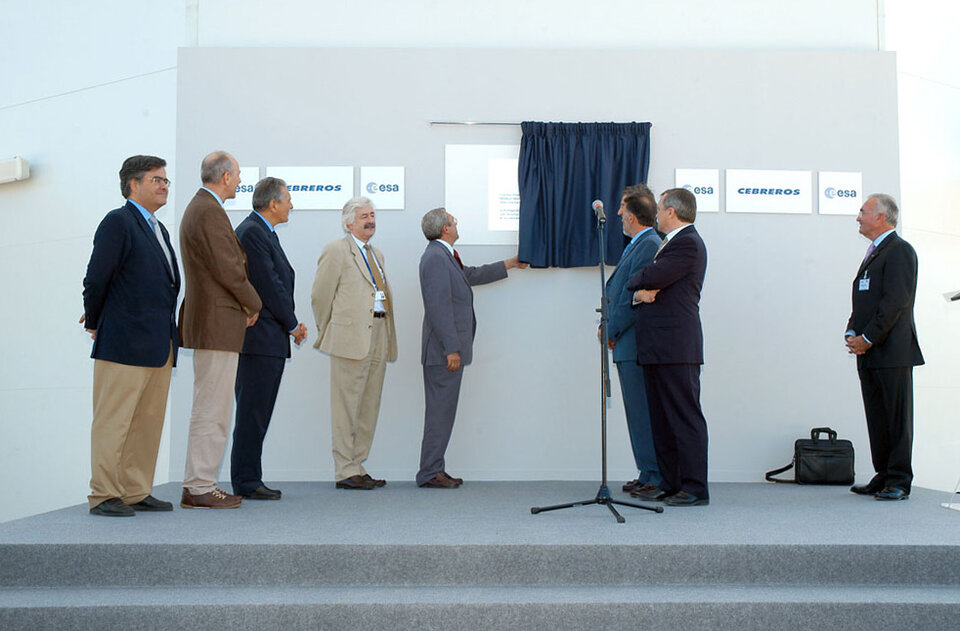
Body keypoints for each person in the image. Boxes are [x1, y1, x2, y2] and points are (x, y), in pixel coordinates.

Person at [81, 155, 179, 517]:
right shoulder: (118, 222)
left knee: (146, 422)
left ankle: (136, 490)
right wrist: (95, 319)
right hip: (123, 341)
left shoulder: (159, 229)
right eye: (156, 179)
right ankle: (105, 493)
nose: (164, 185)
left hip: (158, 343)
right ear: (133, 185)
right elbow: (97, 278)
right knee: (114, 421)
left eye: (166, 180)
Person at [416, 208, 526, 488]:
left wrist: (509, 264)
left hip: (447, 350)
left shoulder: (444, 257)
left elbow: (470, 275)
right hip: (444, 353)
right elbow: (438, 306)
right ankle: (429, 473)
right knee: (439, 412)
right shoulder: (435, 258)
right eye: (453, 221)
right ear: (444, 229)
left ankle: (434, 468)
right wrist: (451, 349)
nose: (457, 224)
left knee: (443, 411)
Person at [179, 151, 262, 509]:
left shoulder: (205, 208)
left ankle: (200, 483)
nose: (241, 181)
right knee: (212, 409)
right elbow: (229, 269)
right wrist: (254, 303)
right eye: (238, 175)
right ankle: (199, 486)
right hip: (217, 323)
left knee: (213, 407)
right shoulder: (208, 211)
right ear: (225, 177)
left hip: (217, 322)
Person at [626, 188, 710, 507]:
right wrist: (641, 290)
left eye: (660, 209)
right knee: (661, 420)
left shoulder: (688, 242)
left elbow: (652, 275)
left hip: (676, 347)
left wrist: (639, 282)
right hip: (659, 348)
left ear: (672, 212)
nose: (657, 214)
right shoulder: (670, 243)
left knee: (683, 417)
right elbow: (647, 283)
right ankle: (671, 481)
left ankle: (694, 487)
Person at [311, 197, 397, 490]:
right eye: (363, 216)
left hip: (378, 333)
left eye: (372, 215)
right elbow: (320, 296)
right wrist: (330, 329)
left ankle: (358, 464)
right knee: (346, 407)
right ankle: (344, 470)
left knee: (368, 405)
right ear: (349, 223)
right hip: (349, 339)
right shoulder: (336, 251)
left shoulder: (377, 254)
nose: (370, 220)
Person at [231, 177, 307, 500]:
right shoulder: (252, 232)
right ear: (273, 203)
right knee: (252, 413)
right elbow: (268, 285)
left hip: (268, 339)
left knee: (257, 413)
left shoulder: (263, 232)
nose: (292, 205)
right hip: (259, 340)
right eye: (288, 199)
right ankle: (247, 482)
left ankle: (251, 477)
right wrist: (292, 324)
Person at [845, 194, 923, 501]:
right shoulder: (874, 253)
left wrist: (868, 338)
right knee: (877, 416)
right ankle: (883, 474)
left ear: (881, 217)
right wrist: (853, 331)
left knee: (896, 418)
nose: (858, 217)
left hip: (892, 352)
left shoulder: (900, 251)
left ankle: (900, 480)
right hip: (870, 351)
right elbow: (864, 301)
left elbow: (895, 304)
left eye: (862, 212)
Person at [602, 184, 663, 496]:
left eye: (623, 209)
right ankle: (647, 471)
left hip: (635, 341)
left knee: (642, 413)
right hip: (628, 343)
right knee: (636, 414)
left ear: (635, 215)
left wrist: (611, 329)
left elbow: (630, 296)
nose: (618, 215)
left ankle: (655, 474)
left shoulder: (649, 243)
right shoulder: (639, 243)